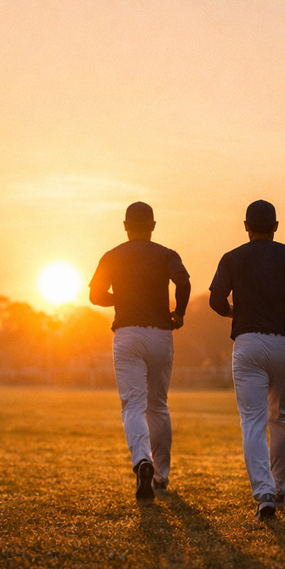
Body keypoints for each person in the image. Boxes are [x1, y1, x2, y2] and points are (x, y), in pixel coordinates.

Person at [209, 200, 285, 521]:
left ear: (246, 225)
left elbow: (217, 300)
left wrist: (234, 312)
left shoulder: (232, 258)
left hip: (249, 342)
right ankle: (280, 487)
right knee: (281, 417)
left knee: (253, 422)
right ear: (275, 226)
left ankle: (265, 494)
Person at [89, 202, 191, 501]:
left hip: (128, 334)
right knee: (158, 406)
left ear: (125, 226)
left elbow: (95, 296)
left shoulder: (112, 255)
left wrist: (121, 299)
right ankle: (161, 476)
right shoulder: (167, 254)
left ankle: (141, 461)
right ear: (153, 226)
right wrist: (179, 312)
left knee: (133, 405)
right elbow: (183, 281)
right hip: (160, 333)